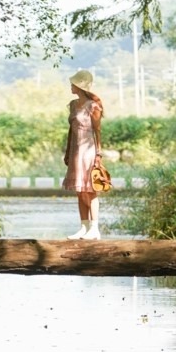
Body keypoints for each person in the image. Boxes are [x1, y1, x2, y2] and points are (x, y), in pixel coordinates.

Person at [62, 70, 104, 240]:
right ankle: (83, 227)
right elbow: (71, 130)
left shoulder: (93, 106)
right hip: (75, 151)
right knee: (80, 190)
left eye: (73, 83)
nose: (71, 86)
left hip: (88, 151)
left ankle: (95, 228)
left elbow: (97, 131)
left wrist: (99, 154)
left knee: (90, 189)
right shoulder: (72, 105)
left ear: (79, 85)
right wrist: (67, 151)